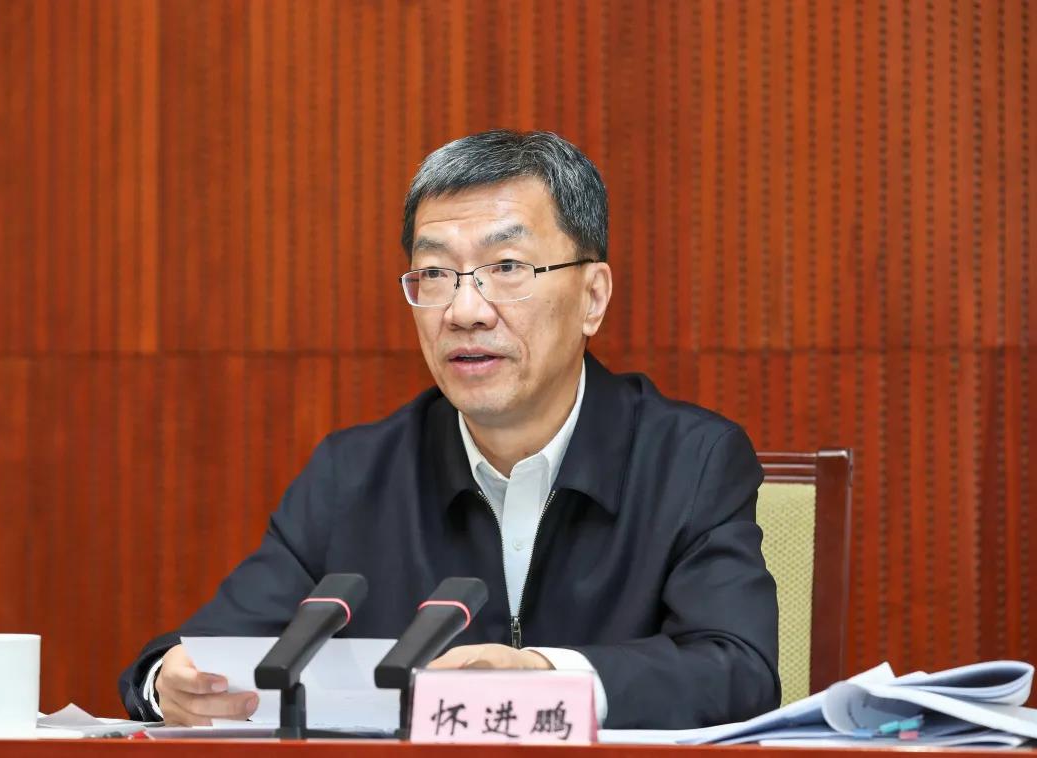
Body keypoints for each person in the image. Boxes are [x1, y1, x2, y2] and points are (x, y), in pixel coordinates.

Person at [119, 129, 780, 729]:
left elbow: (738, 669)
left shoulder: (690, 461)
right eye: (435, 274)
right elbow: (202, 652)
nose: (465, 310)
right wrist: (164, 684)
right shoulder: (354, 475)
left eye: (507, 268)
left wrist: (544, 677)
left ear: (592, 297)